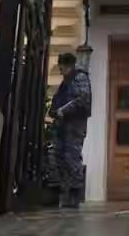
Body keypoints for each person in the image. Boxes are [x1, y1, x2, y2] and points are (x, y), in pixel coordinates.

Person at [49, 52, 92, 209]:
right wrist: (54, 110)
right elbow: (61, 98)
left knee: (72, 158)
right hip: (64, 125)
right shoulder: (67, 80)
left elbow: (82, 99)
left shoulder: (79, 78)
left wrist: (63, 110)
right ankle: (66, 193)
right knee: (59, 157)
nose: (60, 71)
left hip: (74, 125)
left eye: (62, 68)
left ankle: (74, 195)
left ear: (68, 66)